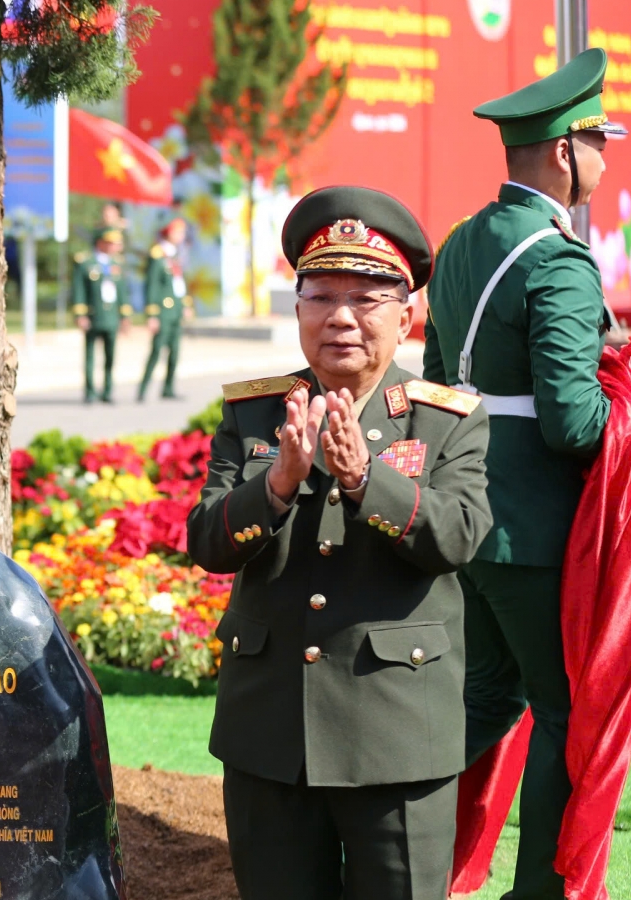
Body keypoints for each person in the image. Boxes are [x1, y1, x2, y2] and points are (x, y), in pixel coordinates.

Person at [187, 185, 492, 899]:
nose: (342, 319)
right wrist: (278, 486)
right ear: (297, 309)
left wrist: (365, 481)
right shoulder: (256, 410)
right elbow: (207, 539)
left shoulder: (445, 421)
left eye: (366, 299)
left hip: (396, 736)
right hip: (270, 736)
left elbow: (456, 536)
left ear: (407, 312)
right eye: (320, 297)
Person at [422, 48, 625, 900]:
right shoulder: (559, 261)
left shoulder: (466, 240)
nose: (607, 162)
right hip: (534, 527)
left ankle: (389, 861)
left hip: (463, 511)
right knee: (564, 711)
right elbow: (574, 422)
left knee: (485, 698)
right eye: (599, 143)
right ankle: (540, 892)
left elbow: (435, 380)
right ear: (562, 152)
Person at [72, 228, 129, 404]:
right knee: (90, 355)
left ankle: (108, 390)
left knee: (110, 355)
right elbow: (79, 290)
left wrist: (125, 316)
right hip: (93, 315)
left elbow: (122, 292)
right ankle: (90, 391)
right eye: (112, 243)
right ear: (101, 243)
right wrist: (80, 314)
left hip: (111, 316)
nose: (116, 247)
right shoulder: (85, 262)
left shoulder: (116, 263)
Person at [139, 219, 191, 401]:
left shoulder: (175, 255)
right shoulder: (157, 255)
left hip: (175, 311)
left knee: (174, 352)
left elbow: (179, 284)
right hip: (162, 312)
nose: (181, 236)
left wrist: (185, 305)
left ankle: (168, 388)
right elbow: (152, 286)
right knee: (156, 351)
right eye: (178, 232)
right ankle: (143, 389)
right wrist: (152, 314)